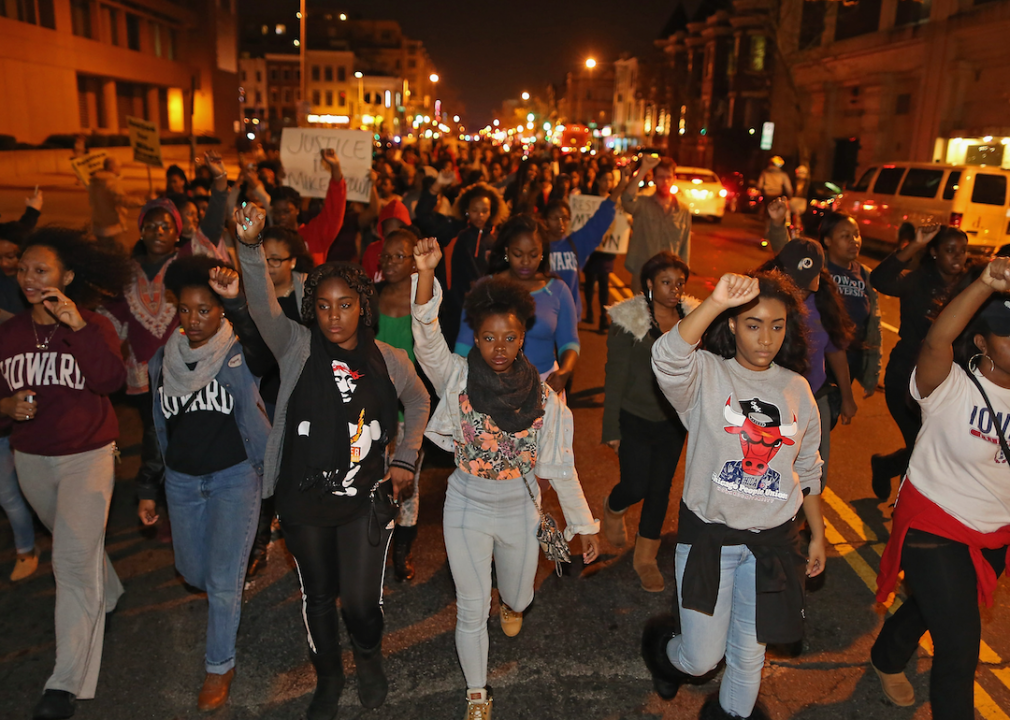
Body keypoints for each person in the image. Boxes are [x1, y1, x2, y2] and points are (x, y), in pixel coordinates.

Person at [233, 204, 429, 719]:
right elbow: (259, 306)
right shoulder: (295, 346)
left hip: (365, 502)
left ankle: (368, 657)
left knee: (362, 603)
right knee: (318, 595)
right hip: (303, 502)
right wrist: (250, 250)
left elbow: (419, 402)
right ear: (310, 310)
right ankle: (328, 676)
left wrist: (406, 458)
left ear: (362, 307)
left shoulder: (390, 359)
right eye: (322, 306)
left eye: (345, 305)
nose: (334, 316)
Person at [411, 237, 600, 720]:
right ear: (476, 335)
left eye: (510, 338)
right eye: (489, 337)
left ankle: (513, 604)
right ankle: (477, 691)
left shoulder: (544, 396)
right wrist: (427, 271)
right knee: (471, 606)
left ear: (523, 337)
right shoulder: (455, 377)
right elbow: (426, 337)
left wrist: (583, 525)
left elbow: (560, 466)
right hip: (466, 506)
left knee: (519, 595)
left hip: (520, 508)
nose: (499, 347)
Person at [641, 270, 825, 720]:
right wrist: (716, 301)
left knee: (748, 656)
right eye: (753, 324)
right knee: (701, 659)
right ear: (731, 326)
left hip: (773, 544)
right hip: (710, 540)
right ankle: (662, 649)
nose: (766, 338)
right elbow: (666, 357)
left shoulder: (798, 389)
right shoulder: (705, 375)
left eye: (777, 325)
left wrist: (817, 534)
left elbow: (806, 469)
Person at [871, 256, 1010, 719]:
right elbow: (935, 341)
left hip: (993, 533)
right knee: (959, 648)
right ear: (980, 341)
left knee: (936, 607)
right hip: (934, 525)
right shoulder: (950, 386)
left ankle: (886, 655)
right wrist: (986, 283)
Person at [0, 228, 131, 720]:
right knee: (78, 544)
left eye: (41, 270)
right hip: (31, 461)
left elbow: (110, 381)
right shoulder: (8, 335)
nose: (29, 278)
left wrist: (76, 326)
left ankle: (64, 685)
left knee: (71, 564)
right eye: (22, 269)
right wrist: (6, 405)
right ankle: (110, 590)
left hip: (88, 456)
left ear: (67, 277)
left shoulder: (92, 325)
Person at [138, 257, 272, 711]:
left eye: (205, 310)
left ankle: (220, 666)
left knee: (219, 582)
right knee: (193, 572)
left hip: (235, 479)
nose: (193, 321)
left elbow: (262, 344)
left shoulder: (237, 352)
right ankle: (232, 579)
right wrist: (146, 487)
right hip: (181, 481)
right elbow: (154, 426)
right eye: (185, 310)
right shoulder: (164, 357)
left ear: (220, 313)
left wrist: (235, 302)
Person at [601, 252, 696, 592]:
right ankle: (614, 507)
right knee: (636, 485)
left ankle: (645, 559)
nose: (674, 290)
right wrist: (611, 426)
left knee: (660, 489)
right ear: (650, 285)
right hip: (634, 416)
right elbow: (615, 374)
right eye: (666, 282)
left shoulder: (693, 320)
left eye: (679, 283)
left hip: (673, 422)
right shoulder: (631, 320)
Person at [869, 225, 968, 499]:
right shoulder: (918, 281)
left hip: (945, 383)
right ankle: (906, 510)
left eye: (962, 251)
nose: (957, 257)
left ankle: (887, 465)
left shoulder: (967, 286)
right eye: (950, 251)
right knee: (921, 445)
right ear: (934, 252)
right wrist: (915, 244)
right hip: (906, 376)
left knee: (930, 446)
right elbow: (881, 279)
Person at [766, 222, 857, 490]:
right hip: (771, 400)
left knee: (812, 476)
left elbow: (835, 349)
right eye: (794, 283)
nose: (799, 292)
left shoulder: (825, 302)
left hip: (814, 399)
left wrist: (847, 397)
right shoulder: (763, 297)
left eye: (805, 286)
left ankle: (805, 527)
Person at [454, 214, 580, 394]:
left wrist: (565, 371)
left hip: (545, 385)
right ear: (506, 251)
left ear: (542, 253)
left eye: (533, 254)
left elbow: (569, 341)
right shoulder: (485, 288)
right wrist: (458, 380)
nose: (526, 262)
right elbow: (464, 343)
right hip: (492, 386)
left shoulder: (558, 290)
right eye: (518, 254)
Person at [375, 228, 427, 582]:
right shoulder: (369, 298)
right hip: (374, 411)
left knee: (408, 483)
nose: (391, 263)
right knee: (373, 480)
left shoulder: (422, 303)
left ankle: (402, 550)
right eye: (387, 256)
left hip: (409, 409)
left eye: (400, 256)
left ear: (413, 262)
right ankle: (375, 543)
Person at [415, 182, 509, 346]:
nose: (480, 215)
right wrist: (434, 188)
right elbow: (423, 216)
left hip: (485, 312)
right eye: (474, 210)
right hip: (453, 312)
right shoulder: (453, 232)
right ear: (466, 210)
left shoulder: (496, 241)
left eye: (484, 210)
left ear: (491, 211)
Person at [545, 166, 631, 323]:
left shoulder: (576, 243)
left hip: (568, 317)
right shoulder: (537, 247)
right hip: (542, 317)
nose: (560, 223)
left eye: (564, 218)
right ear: (545, 220)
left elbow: (600, 217)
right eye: (554, 217)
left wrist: (621, 185)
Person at [816, 210, 882, 403]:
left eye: (856, 234)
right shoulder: (819, 269)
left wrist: (871, 374)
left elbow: (873, 327)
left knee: (833, 414)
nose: (854, 240)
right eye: (846, 236)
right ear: (827, 241)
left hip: (850, 358)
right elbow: (786, 255)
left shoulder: (865, 275)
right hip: (818, 357)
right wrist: (778, 225)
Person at [623, 155, 691, 293]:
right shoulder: (642, 204)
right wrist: (643, 170)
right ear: (654, 179)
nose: (665, 181)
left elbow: (685, 246)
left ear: (674, 179)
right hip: (644, 275)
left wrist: (682, 277)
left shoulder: (682, 210)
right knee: (642, 314)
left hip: (670, 280)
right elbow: (626, 200)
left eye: (668, 177)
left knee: (666, 315)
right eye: (660, 177)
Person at [269, 149, 346, 265]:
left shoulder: (315, 234)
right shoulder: (268, 239)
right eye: (277, 212)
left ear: (297, 210)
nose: (282, 216)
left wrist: (335, 169)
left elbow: (335, 210)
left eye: (287, 211)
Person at [582, 169, 620, 331]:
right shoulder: (589, 200)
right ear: (597, 181)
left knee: (604, 282)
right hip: (591, 249)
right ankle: (590, 309)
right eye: (604, 180)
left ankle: (603, 316)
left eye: (610, 180)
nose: (607, 183)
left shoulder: (615, 202)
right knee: (590, 281)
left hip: (606, 249)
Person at [88, 158, 139, 253]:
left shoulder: (94, 182)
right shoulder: (111, 183)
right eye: (119, 167)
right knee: (122, 254)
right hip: (112, 227)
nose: (120, 169)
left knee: (105, 255)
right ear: (112, 168)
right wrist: (144, 201)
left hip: (98, 227)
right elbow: (124, 201)